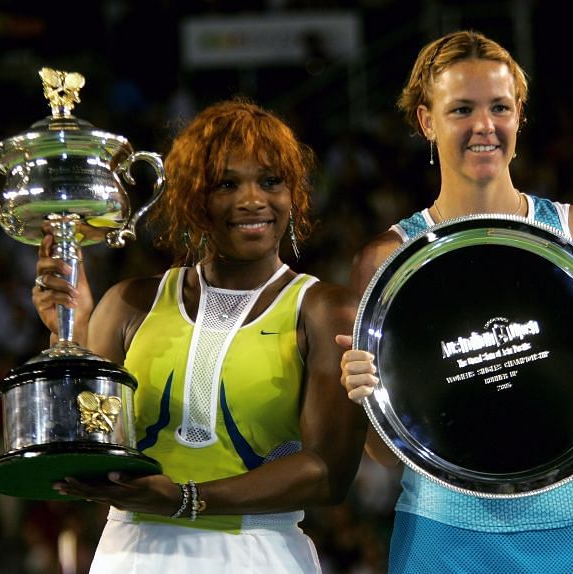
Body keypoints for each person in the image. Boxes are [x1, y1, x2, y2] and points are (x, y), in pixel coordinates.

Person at [336, 30, 573, 573]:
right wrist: (363, 400)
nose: (484, 126)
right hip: (443, 539)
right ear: (425, 120)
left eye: (500, 108)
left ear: (519, 117)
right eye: (462, 109)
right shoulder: (385, 260)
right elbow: (387, 452)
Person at [32, 98, 368, 573]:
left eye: (270, 181)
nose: (252, 199)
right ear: (194, 198)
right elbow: (80, 443)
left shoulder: (325, 309)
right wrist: (68, 333)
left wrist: (187, 500)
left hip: (258, 552)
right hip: (131, 551)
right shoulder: (129, 303)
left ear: (293, 193)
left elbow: (328, 474)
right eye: (227, 184)